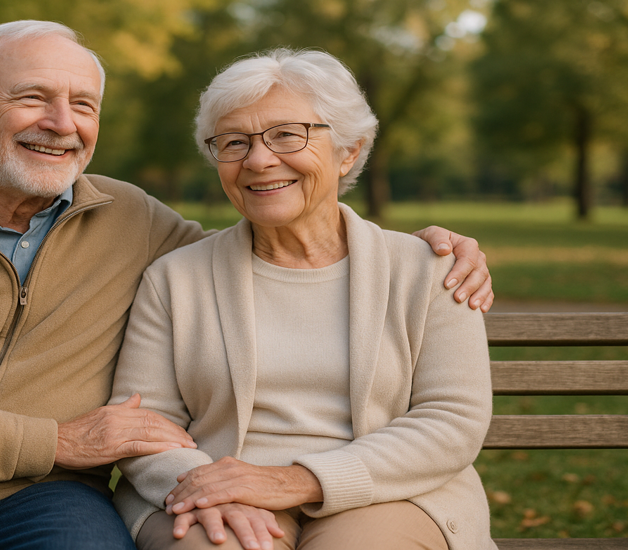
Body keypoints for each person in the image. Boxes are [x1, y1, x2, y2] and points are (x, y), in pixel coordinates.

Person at [0, 22, 493, 550]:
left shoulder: (134, 223)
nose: (60, 124)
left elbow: (266, 260)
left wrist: (424, 250)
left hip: (34, 498)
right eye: (31, 98)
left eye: (83, 105)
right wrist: (60, 442)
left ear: (351, 147)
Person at [109, 48, 496, 550]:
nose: (258, 159)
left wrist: (295, 480)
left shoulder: (432, 270)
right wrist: (209, 487)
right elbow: (145, 421)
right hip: (212, 490)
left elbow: (452, 421)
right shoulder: (174, 279)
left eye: (288, 135)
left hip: (387, 496)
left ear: (349, 151)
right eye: (234, 142)